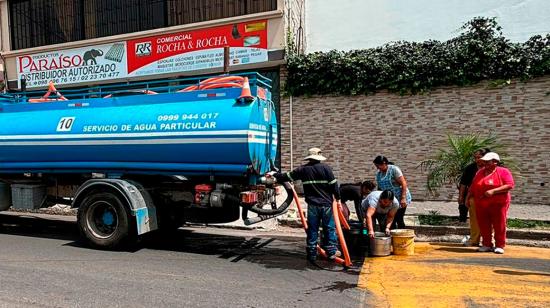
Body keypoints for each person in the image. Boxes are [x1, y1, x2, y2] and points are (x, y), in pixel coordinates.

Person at [274, 147, 341, 262]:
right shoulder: (326, 168)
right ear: (319, 157)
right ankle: (331, 253)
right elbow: (334, 186)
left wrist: (275, 174)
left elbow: (286, 177)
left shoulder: (303, 170)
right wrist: (338, 199)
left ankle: (311, 253)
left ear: (309, 158)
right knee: (329, 228)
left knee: (313, 229)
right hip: (326, 205)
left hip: (312, 205)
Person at [468, 152, 515, 254]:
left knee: (499, 224)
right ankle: (486, 244)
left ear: (495, 162)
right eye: (484, 161)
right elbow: (473, 186)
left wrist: (494, 191)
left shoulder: (503, 171)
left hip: (498, 203)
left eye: (487, 161)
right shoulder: (480, 172)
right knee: (483, 224)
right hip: (481, 203)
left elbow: (509, 185)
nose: (485, 163)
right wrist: (468, 197)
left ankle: (500, 245)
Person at [458, 148, 491, 246]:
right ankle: (474, 239)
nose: (477, 160)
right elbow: (463, 183)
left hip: (490, 198)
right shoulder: (470, 168)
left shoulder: (493, 168)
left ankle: (488, 241)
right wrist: (461, 197)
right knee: (474, 219)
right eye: (475, 158)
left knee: (489, 220)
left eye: (479, 157)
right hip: (473, 197)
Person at [373, 155, 412, 229]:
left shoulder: (394, 170)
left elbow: (403, 183)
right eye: (376, 166)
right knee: (391, 218)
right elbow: (380, 188)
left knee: (399, 218)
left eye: (378, 166)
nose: (377, 168)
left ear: (384, 163)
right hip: (390, 199)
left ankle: (402, 237)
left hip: (400, 197)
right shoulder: (379, 174)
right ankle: (391, 237)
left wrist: (403, 198)